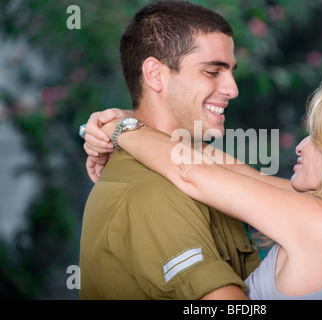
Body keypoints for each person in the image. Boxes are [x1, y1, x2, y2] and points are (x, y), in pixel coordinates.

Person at [85, 81, 322, 299]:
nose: (302, 146)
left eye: (318, 138)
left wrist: (122, 129)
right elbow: (235, 171)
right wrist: (134, 123)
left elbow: (191, 173)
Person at [79, 0, 268, 300]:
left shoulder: (205, 172)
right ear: (155, 75)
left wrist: (119, 124)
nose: (233, 89)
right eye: (212, 71)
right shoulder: (151, 190)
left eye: (230, 71)